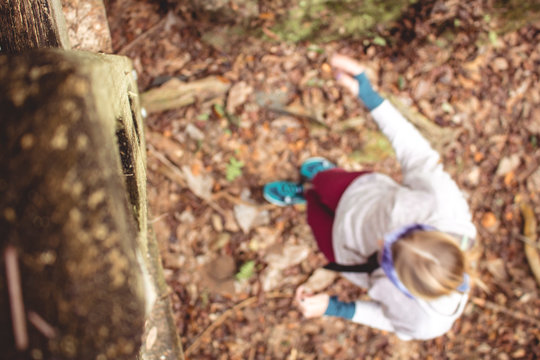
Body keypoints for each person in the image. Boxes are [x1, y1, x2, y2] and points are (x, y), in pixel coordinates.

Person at [262, 54, 476, 341]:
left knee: (314, 215)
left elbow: (387, 319)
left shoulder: (425, 323)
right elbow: (417, 155)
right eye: (401, 232)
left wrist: (334, 307)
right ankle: (317, 181)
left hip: (344, 252)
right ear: (430, 230)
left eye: (384, 256)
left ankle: (307, 196)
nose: (380, 241)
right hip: (359, 193)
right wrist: (371, 97)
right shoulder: (445, 208)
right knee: (324, 182)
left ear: (406, 288)